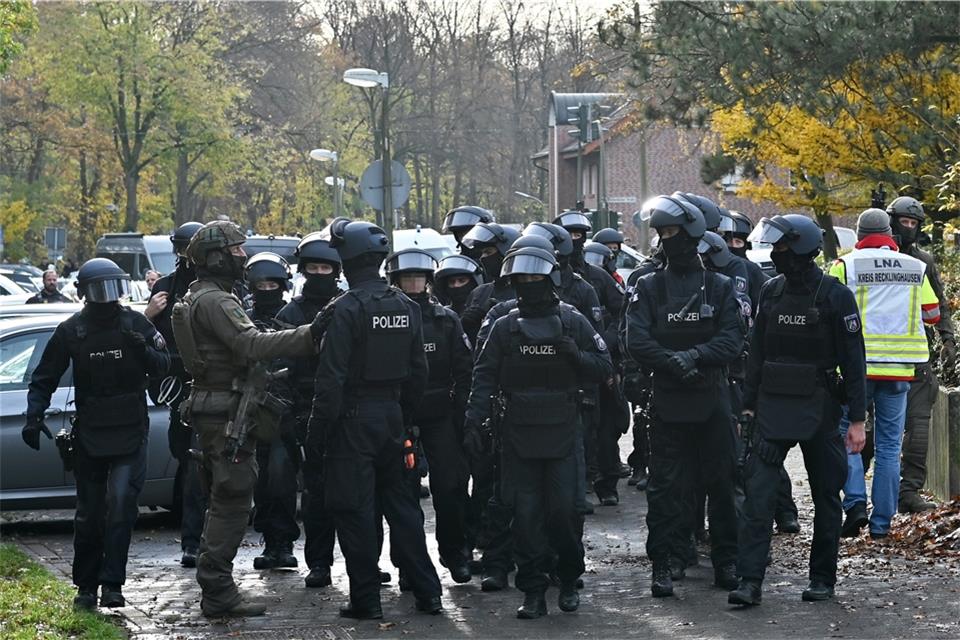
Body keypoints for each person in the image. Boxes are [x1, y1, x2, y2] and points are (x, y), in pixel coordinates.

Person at [171, 220, 318, 618]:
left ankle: (216, 587)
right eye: (236, 250)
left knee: (224, 498)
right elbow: (250, 344)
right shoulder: (216, 301)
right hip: (225, 413)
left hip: (216, 408)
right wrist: (310, 334)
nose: (242, 256)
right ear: (216, 257)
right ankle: (218, 591)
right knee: (232, 500)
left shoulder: (200, 295)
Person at [462, 245, 613, 619]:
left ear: (550, 280)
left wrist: (575, 356)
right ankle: (532, 591)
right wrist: (473, 421)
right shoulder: (504, 326)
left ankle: (568, 576)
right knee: (526, 517)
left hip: (563, 431)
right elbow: (483, 376)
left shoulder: (573, 321)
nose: (529, 284)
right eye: (522, 279)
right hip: (518, 434)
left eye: (535, 278)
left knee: (564, 512)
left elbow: (604, 366)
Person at [306, 220, 442, 619]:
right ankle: (429, 594)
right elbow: (419, 373)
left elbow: (330, 380)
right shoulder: (406, 306)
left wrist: (317, 433)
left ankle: (366, 601)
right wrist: (404, 417)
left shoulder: (346, 309)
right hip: (393, 418)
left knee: (355, 512)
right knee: (404, 510)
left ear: (346, 260)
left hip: (352, 423)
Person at [730, 214, 867, 606]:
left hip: (819, 408)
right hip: (772, 407)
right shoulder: (771, 291)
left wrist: (858, 419)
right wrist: (748, 408)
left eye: (783, 247)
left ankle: (822, 578)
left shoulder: (835, 296)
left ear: (803, 248)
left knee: (827, 496)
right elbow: (757, 354)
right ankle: (749, 581)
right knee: (758, 497)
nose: (776, 253)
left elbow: (854, 361)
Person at [23, 258, 170, 610]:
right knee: (89, 513)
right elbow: (44, 377)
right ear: (85, 293)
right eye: (99, 290)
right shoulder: (71, 330)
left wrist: (143, 350)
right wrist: (33, 416)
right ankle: (86, 586)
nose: (107, 298)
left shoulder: (135, 322)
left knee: (120, 505)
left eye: (112, 289)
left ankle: (112, 583)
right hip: (90, 432)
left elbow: (165, 365)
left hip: (131, 429)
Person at [625, 194, 743, 597]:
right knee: (665, 488)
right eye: (661, 232)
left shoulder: (720, 286)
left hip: (712, 397)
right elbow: (636, 339)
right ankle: (664, 562)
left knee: (722, 483)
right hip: (667, 398)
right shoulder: (648, 285)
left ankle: (726, 560)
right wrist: (673, 363)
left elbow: (732, 340)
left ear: (692, 234)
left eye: (672, 231)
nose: (666, 239)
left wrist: (694, 356)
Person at [830, 209, 939, 539]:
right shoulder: (914, 267)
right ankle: (881, 525)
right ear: (890, 235)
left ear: (859, 235)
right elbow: (932, 314)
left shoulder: (845, 265)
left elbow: (827, 310)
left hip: (856, 370)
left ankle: (855, 505)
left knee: (847, 436)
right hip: (899, 371)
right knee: (890, 447)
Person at [386, 248, 474, 584]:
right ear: (396, 281)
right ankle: (408, 566)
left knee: (451, 486)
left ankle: (456, 553)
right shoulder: (389, 319)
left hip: (440, 413)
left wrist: (463, 414)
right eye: (407, 278)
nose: (413, 284)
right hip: (400, 414)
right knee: (403, 492)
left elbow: (465, 369)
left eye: (418, 278)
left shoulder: (445, 319)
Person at [276, 232, 343, 588]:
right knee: (315, 494)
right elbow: (279, 369)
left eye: (325, 268)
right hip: (306, 411)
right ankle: (319, 563)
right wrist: (291, 416)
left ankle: (365, 561)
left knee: (358, 492)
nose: (319, 274)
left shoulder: (349, 305)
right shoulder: (290, 313)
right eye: (313, 268)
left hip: (347, 410)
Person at [886, 197, 956, 513]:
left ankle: (908, 491)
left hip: (915, 355)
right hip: (875, 359)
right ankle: (859, 495)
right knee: (870, 434)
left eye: (914, 223)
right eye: (904, 221)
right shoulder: (872, 259)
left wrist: (947, 339)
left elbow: (939, 304)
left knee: (918, 428)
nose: (909, 228)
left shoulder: (923, 262)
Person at [144, 220, 205, 568]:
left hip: (214, 383)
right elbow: (146, 342)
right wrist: (148, 316)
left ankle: (200, 540)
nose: (187, 256)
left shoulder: (222, 285)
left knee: (205, 467)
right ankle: (193, 541)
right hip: (179, 390)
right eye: (182, 249)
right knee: (187, 460)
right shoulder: (165, 288)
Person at [242, 252, 301, 571]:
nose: (266, 290)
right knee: (260, 481)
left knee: (281, 477)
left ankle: (283, 543)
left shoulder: (291, 315)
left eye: (272, 285)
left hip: (283, 410)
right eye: (261, 285)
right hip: (249, 409)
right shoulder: (243, 317)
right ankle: (268, 541)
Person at [459, 223, 521, 340]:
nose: (482, 258)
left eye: (488, 252)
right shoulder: (479, 293)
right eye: (482, 253)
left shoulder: (524, 291)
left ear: (505, 253)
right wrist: (465, 324)